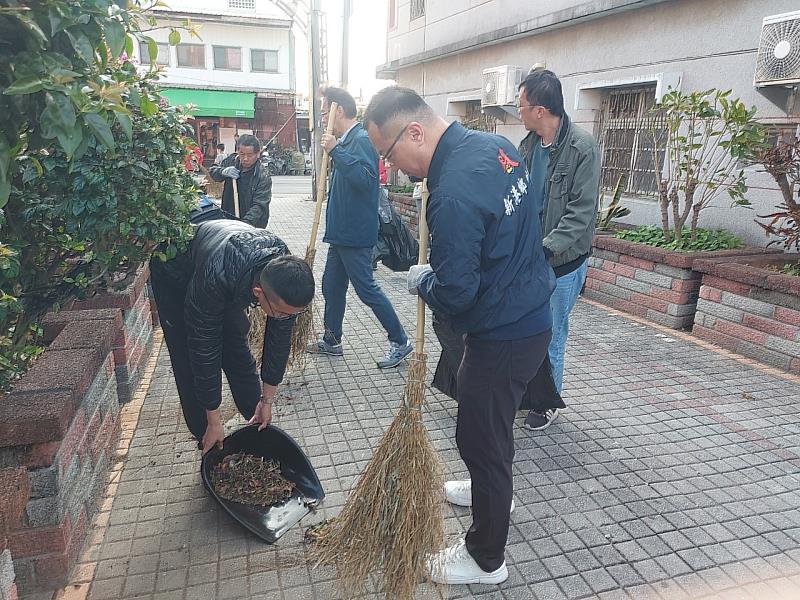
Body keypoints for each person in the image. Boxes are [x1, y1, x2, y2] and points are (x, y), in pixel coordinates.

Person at [364, 86, 555, 586]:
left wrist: (426, 279)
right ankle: (489, 487)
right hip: (530, 314)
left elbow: (456, 294)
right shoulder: (499, 147)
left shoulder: (450, 194)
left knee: (481, 437)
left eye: (389, 155)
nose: (394, 170)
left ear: (414, 132)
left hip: (504, 332)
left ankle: (486, 558)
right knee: (488, 429)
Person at [149, 217, 315, 455]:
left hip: (229, 273)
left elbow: (279, 342)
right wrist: (215, 419)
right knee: (188, 356)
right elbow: (204, 350)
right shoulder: (216, 276)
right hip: (175, 274)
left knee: (236, 346)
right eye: (279, 312)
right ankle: (207, 437)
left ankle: (255, 421)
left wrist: (266, 402)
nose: (283, 317)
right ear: (259, 293)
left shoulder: (284, 273)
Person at [517, 69, 601, 430]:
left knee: (552, 332)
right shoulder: (527, 146)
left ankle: (547, 401)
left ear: (539, 109)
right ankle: (527, 391)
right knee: (525, 331)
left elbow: (580, 214)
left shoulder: (582, 148)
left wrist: (545, 250)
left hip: (561, 263)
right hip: (527, 259)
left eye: (520, 105)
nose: (517, 111)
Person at [307, 87, 412, 369]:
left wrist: (336, 151)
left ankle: (400, 341)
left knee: (367, 289)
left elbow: (366, 181)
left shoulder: (360, 140)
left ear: (338, 110)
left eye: (325, 109)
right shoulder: (346, 140)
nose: (323, 115)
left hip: (355, 234)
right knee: (332, 285)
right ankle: (332, 339)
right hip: (341, 233)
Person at [209, 134, 272, 228]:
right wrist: (222, 171)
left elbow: (259, 206)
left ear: (258, 154)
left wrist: (243, 225)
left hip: (252, 224)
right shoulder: (232, 161)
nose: (245, 159)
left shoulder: (262, 176)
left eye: (250, 155)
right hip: (229, 218)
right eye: (242, 154)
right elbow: (213, 171)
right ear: (238, 151)